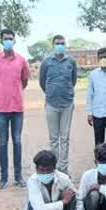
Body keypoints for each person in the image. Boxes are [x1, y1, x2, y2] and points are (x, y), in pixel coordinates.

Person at [0, 29, 31, 190]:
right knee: (2, 142)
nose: (8, 41)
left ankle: (18, 176)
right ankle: (4, 177)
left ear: (14, 40)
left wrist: (15, 92)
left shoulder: (21, 60)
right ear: (1, 40)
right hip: (1, 108)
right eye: (5, 38)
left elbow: (24, 81)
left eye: (10, 38)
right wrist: (1, 93)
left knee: (17, 141)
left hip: (17, 107)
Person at [39, 35, 78, 175]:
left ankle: (64, 168)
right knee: (54, 139)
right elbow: (42, 82)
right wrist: (51, 93)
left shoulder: (71, 62)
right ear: (53, 45)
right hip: (51, 104)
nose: (60, 45)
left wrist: (65, 92)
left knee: (65, 138)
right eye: (57, 43)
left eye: (62, 43)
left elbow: (73, 81)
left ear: (65, 44)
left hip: (67, 104)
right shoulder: (47, 62)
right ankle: (53, 168)